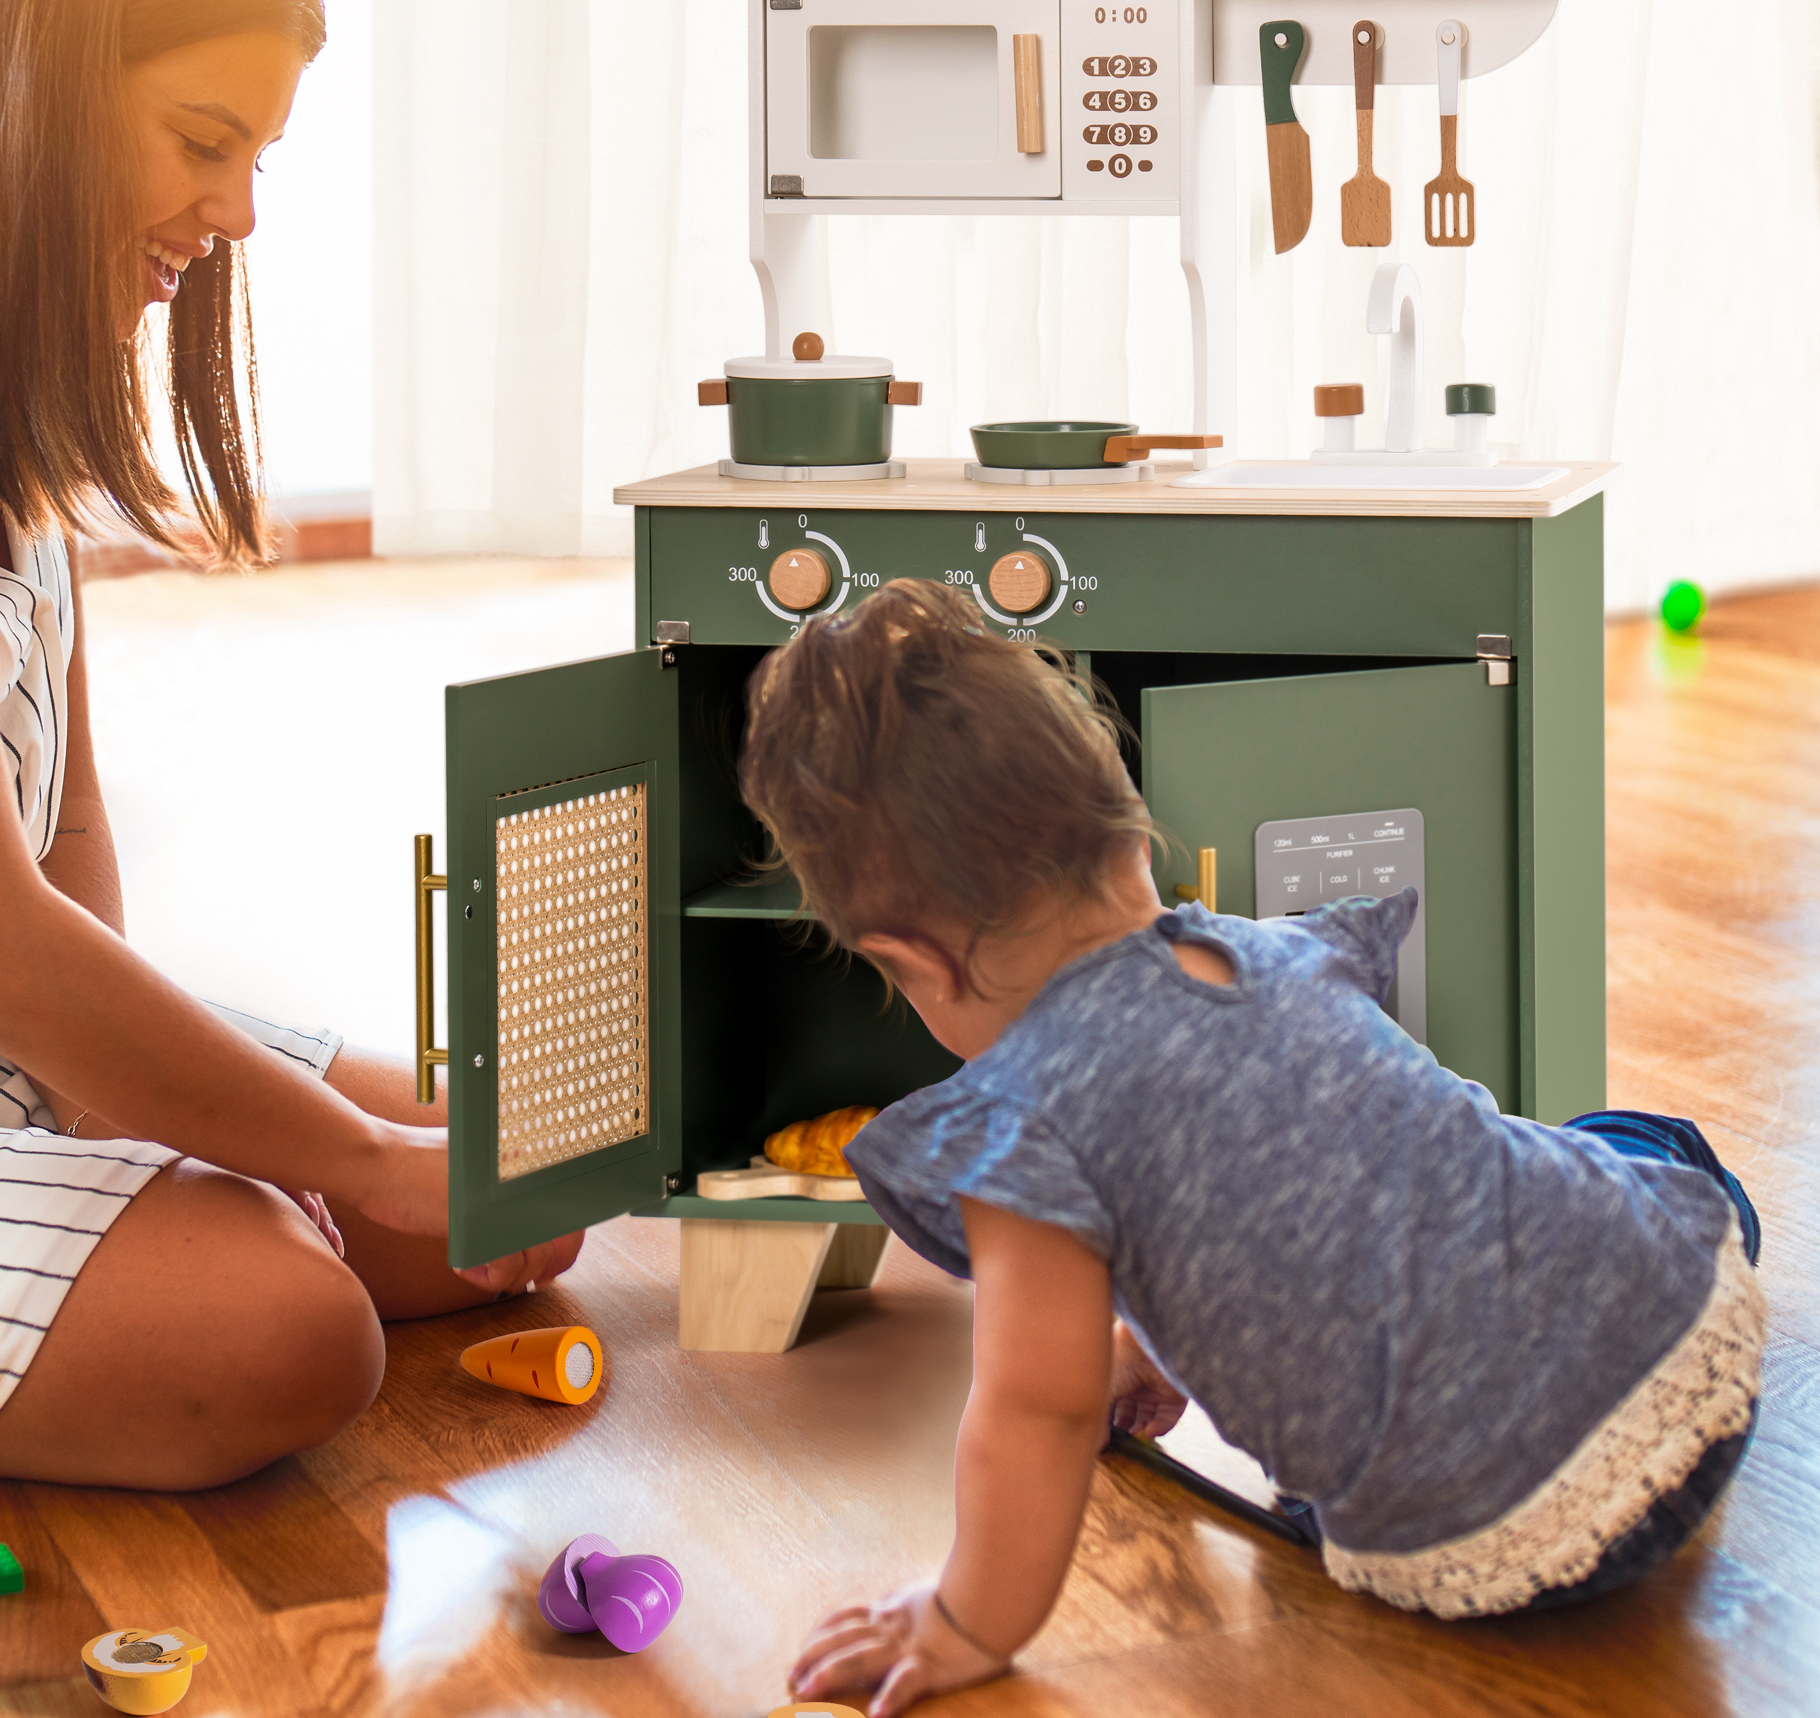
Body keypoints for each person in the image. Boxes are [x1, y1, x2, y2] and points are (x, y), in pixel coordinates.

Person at [0, 0, 579, 1490]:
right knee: (289, 1329)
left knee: (503, 1187)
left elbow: (68, 835)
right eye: (204, 142)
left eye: (257, 159)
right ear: (29, 85)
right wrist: (337, 1161)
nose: (232, 216)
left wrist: (133, 1107)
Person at [737, 580, 1766, 1717]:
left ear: (911, 964)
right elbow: (1320, 1181)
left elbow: (1039, 1411)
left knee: (1370, 1380)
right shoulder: (1272, 953)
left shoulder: (1018, 1130)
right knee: (1628, 1146)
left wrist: (965, 1620)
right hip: (1690, 1368)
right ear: (1130, 831)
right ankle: (1668, 1251)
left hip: (1478, 1537)